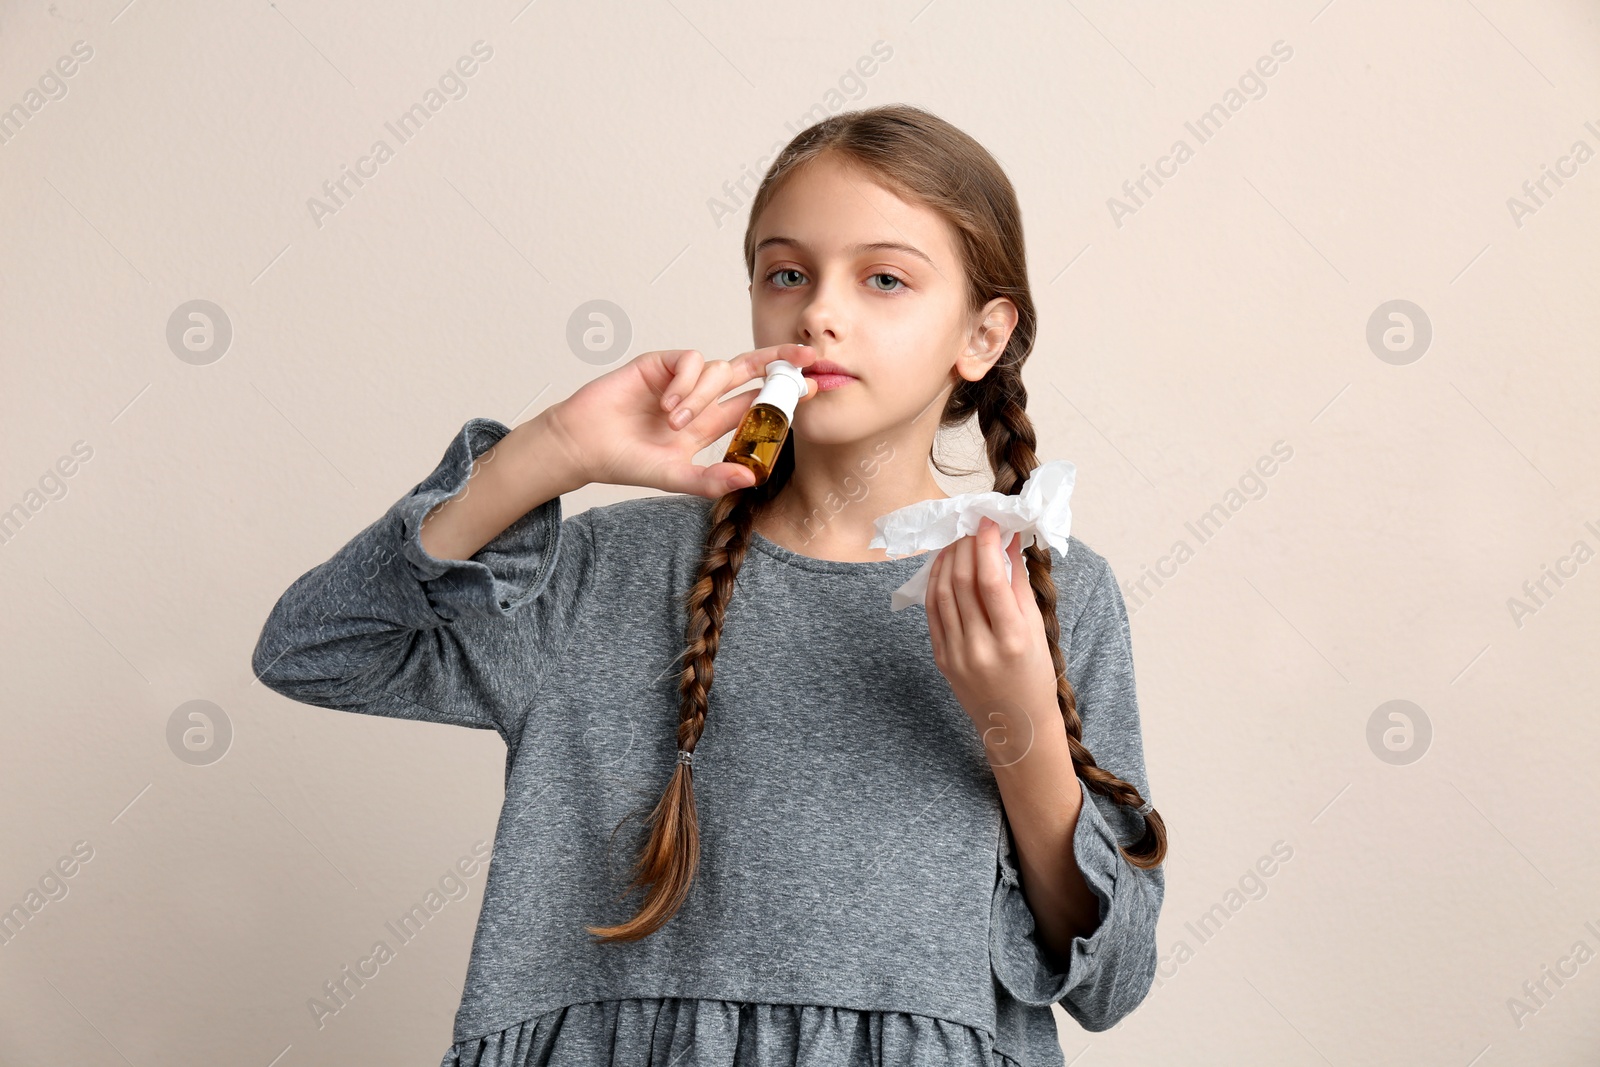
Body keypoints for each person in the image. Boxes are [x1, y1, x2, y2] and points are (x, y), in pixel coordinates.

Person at [252, 103, 1166, 1067]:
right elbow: (316, 648)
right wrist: (551, 451)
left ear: (981, 336)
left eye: (885, 278)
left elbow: (1110, 979)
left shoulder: (1048, 592)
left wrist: (1015, 718)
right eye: (787, 273)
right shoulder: (606, 573)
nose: (819, 311)